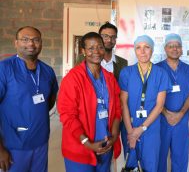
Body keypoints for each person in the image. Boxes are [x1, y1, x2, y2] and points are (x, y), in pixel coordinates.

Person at [57, 32, 121, 171]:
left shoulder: (110, 78)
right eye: (91, 48)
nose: (96, 52)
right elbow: (67, 115)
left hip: (106, 146)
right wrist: (87, 143)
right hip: (80, 149)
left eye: (100, 47)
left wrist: (114, 137)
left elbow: (117, 110)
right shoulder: (73, 79)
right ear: (83, 51)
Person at [0, 26, 58, 172]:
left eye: (35, 40)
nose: (31, 44)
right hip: (13, 144)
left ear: (41, 43)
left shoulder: (47, 71)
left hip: (40, 142)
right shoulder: (4, 69)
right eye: (25, 40)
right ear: (16, 43)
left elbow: (49, 101)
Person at [119, 35, 170, 171]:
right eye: (138, 48)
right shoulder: (126, 73)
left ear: (152, 50)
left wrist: (141, 129)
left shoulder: (161, 74)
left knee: (150, 166)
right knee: (132, 167)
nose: (142, 51)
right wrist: (131, 132)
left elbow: (159, 106)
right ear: (135, 51)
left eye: (146, 47)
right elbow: (123, 103)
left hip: (150, 129)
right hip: (129, 127)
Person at [157, 33, 189, 172]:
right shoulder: (157, 69)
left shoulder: (188, 70)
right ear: (165, 49)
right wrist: (166, 113)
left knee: (180, 158)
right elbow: (152, 96)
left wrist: (180, 114)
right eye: (171, 46)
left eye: (178, 46)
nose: (174, 49)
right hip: (161, 121)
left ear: (181, 49)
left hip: (181, 122)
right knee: (159, 157)